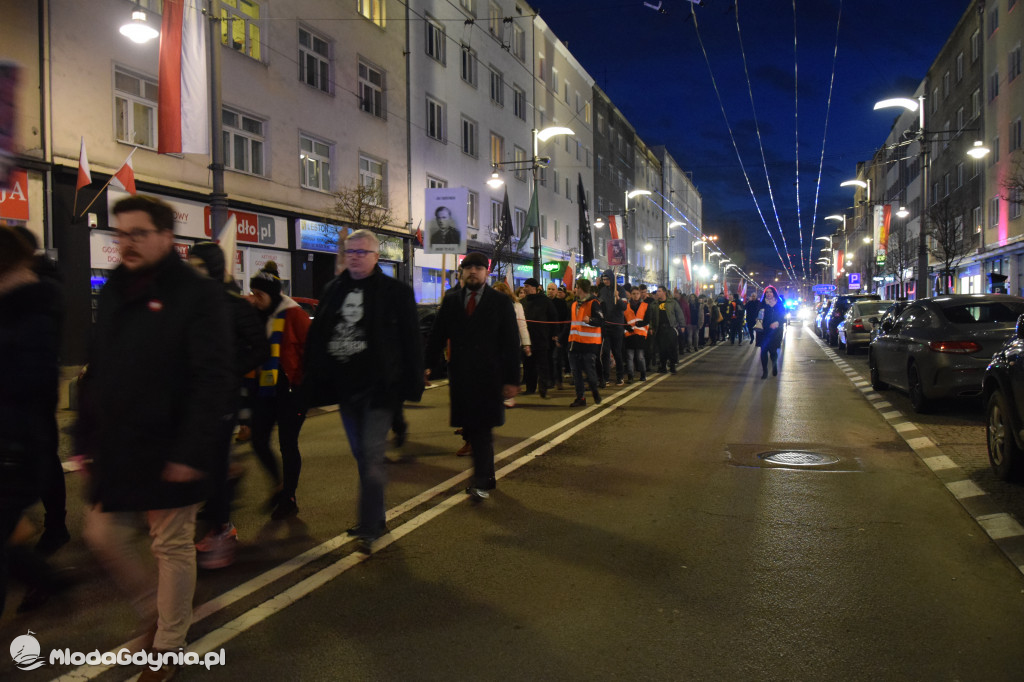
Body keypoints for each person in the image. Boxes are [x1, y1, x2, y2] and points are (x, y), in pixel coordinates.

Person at [78, 195, 232, 672]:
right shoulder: (115, 289)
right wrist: (84, 436)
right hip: (119, 443)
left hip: (171, 443)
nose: (126, 244)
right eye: (120, 234)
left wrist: (191, 450)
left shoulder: (198, 294)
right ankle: (155, 610)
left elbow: (214, 378)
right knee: (103, 534)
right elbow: (97, 368)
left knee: (170, 543)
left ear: (168, 237)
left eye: (137, 234)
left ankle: (168, 641)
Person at [303, 230, 423, 551]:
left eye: (361, 252)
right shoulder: (334, 289)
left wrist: (412, 382)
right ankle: (376, 517)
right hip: (345, 389)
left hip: (379, 389)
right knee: (362, 455)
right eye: (350, 251)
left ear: (375, 256)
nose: (354, 256)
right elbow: (319, 336)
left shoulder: (393, 292)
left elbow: (411, 338)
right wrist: (311, 379)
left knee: (370, 455)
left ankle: (370, 524)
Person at [188, 241, 269, 569]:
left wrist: (231, 369)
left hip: (222, 397)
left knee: (216, 463)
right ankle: (220, 505)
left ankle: (222, 529)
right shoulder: (191, 303)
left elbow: (260, 348)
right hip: (195, 397)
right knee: (206, 462)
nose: (194, 273)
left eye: (199, 267)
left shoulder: (234, 306)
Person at [0, 226, 65, 615]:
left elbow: (35, 379)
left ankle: (45, 562)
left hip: (17, 442)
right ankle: (43, 574)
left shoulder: (34, 306)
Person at [425, 252, 520, 501]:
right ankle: (486, 478)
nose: (473, 272)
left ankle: (480, 481)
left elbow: (511, 342)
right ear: (462, 272)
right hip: (461, 376)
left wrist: (511, 379)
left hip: (490, 376)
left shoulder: (500, 301)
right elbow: (437, 335)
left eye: (478, 267)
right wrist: (426, 366)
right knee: (474, 428)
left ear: (487, 272)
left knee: (481, 429)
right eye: (468, 268)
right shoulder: (452, 300)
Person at [12, 226, 70, 556]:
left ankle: (55, 527)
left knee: (44, 458)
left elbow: (37, 343)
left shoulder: (44, 288)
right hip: (18, 390)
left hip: (35, 390)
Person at [248, 263, 310, 520]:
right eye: (253, 293)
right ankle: (278, 485)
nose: (255, 298)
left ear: (272, 295)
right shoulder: (255, 315)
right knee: (258, 440)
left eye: (259, 295)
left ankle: (289, 497)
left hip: (291, 391)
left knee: (287, 445)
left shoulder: (294, 315)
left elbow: (311, 352)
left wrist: (305, 389)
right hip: (265, 390)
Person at [493, 280, 530, 407]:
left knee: (509, 369)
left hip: (510, 343)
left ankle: (509, 396)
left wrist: (526, 343)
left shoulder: (516, 305)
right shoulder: (489, 306)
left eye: (498, 292)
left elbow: (522, 325)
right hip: (494, 344)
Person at [567, 278, 604, 406]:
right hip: (574, 344)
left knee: (590, 372)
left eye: (576, 287)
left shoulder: (594, 303)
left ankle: (595, 391)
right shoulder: (574, 304)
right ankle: (580, 398)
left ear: (580, 289)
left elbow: (601, 321)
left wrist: (590, 320)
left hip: (589, 345)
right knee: (576, 374)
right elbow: (570, 324)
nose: (574, 289)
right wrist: (561, 338)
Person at [520, 277, 557, 397]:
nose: (524, 288)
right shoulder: (523, 302)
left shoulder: (545, 301)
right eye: (524, 286)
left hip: (541, 338)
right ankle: (530, 388)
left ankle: (543, 389)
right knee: (528, 365)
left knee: (542, 365)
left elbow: (553, 317)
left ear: (534, 288)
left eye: (527, 286)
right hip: (527, 339)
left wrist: (554, 334)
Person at [597, 270, 627, 387]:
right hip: (606, 326)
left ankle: (620, 376)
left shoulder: (621, 290)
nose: (606, 282)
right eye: (604, 280)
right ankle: (606, 377)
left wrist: (618, 298)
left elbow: (624, 307)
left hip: (617, 326)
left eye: (607, 279)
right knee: (605, 352)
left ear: (612, 279)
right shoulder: (602, 290)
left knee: (617, 352)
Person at [623, 285, 652, 382]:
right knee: (630, 357)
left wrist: (641, 323)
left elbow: (647, 319)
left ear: (640, 294)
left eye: (637, 294)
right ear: (630, 295)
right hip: (629, 335)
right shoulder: (626, 306)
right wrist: (627, 327)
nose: (636, 296)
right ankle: (630, 376)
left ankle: (643, 374)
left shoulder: (645, 306)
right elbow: (623, 320)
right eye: (634, 294)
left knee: (640, 356)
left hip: (640, 334)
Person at [758, 285, 786, 379]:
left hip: (775, 331)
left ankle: (774, 366)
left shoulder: (779, 304)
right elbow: (757, 315)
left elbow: (783, 316)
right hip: (764, 330)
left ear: (774, 293)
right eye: (767, 292)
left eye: (770, 292)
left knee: (773, 351)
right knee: (763, 351)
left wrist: (777, 322)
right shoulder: (762, 304)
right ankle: (765, 371)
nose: (769, 294)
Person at [654, 286, 683, 374]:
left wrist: (682, 325)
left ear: (664, 292)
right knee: (662, 349)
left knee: (672, 348)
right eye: (657, 291)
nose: (657, 293)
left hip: (670, 328)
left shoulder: (672, 303)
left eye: (659, 291)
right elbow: (651, 317)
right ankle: (662, 366)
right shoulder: (654, 304)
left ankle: (672, 366)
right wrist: (652, 327)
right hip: (660, 329)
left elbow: (679, 313)